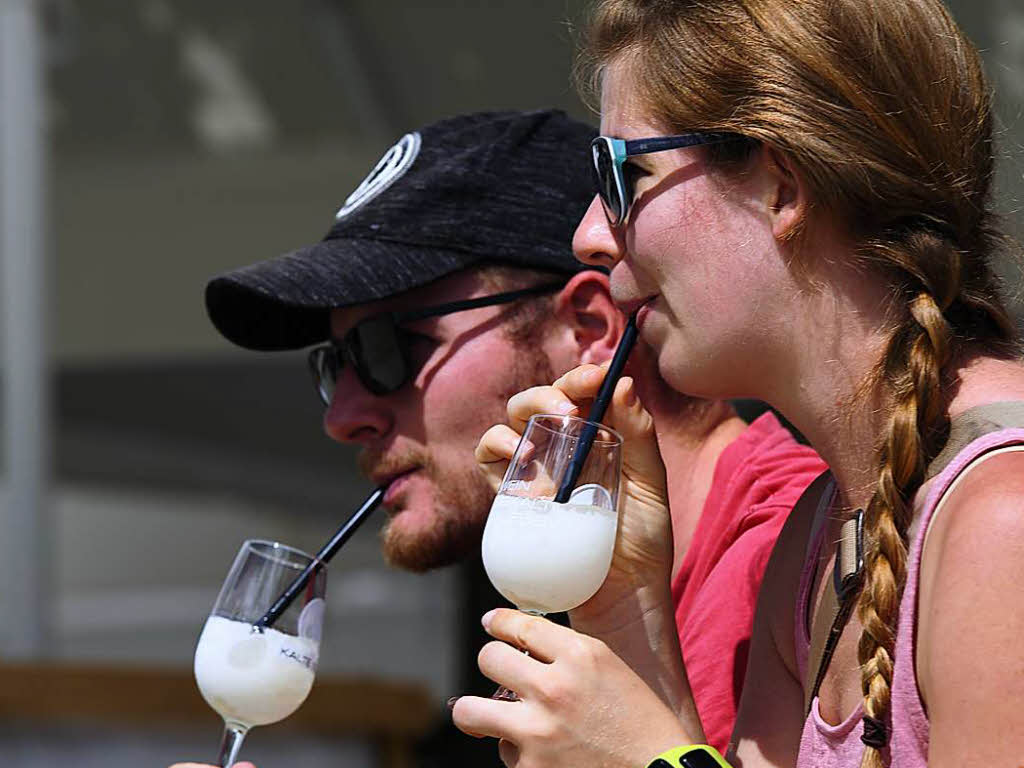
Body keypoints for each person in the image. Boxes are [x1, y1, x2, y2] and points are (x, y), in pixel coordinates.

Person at [454, 1, 1024, 767]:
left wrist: (652, 764)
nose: (589, 232)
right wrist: (626, 600)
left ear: (781, 187)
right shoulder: (816, 540)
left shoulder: (1003, 523)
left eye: (623, 174)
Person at [175, 108, 822, 768]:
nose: (343, 415)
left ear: (589, 329)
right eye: (333, 363)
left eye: (387, 348)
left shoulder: (796, 560)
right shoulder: (574, 599)